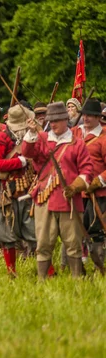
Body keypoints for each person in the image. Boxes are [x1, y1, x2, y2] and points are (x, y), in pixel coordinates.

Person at [22, 102, 93, 278]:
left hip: (69, 201)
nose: (52, 124)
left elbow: (87, 171)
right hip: (44, 200)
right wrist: (31, 132)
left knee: (73, 244)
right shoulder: (42, 138)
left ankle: (77, 280)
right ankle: (42, 281)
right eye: (50, 120)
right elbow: (28, 153)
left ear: (65, 120)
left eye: (56, 120)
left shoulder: (77, 144)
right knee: (44, 244)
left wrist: (75, 186)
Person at [0, 105, 37, 277]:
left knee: (34, 231)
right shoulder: (0, 139)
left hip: (27, 190)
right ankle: (11, 271)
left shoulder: (29, 137)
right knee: (6, 233)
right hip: (7, 192)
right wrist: (20, 162)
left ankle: (47, 271)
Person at [72, 98, 106, 275]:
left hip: (98, 193)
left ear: (98, 117)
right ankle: (79, 267)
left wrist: (98, 181)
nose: (86, 118)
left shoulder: (104, 137)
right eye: (84, 115)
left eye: (90, 115)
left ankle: (99, 267)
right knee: (77, 230)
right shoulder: (75, 134)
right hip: (78, 192)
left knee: (96, 231)